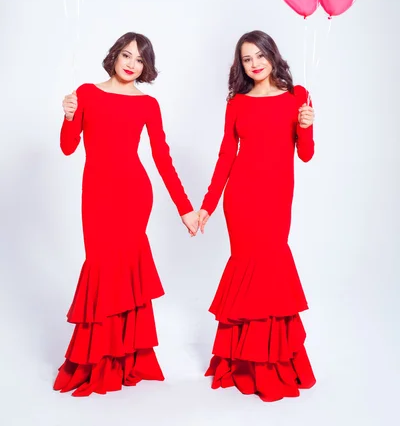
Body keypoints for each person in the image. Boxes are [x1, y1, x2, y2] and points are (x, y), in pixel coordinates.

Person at [54, 32, 199, 396]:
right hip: (97, 197)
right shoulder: (86, 93)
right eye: (127, 55)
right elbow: (68, 147)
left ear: (146, 67)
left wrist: (185, 209)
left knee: (124, 271)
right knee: (101, 267)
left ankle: (125, 360)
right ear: (114, 56)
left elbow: (162, 160)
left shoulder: (147, 105)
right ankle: (97, 361)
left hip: (134, 196)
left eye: (140, 59)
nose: (132, 64)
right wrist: (69, 116)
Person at [198, 30, 316, 402]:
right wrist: (207, 205)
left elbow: (306, 154)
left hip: (276, 200)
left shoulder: (298, 98)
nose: (255, 63)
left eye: (259, 55)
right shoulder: (237, 103)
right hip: (241, 200)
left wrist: (307, 126)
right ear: (241, 65)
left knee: (271, 271)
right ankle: (242, 363)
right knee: (247, 271)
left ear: (272, 55)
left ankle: (275, 362)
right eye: (247, 59)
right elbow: (224, 158)